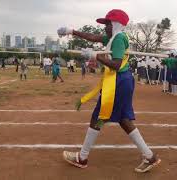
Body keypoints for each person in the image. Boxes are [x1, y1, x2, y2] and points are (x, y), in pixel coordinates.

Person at [58, 9, 160, 173]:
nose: (104, 27)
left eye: (107, 24)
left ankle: (82, 158)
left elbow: (117, 64)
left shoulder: (119, 39)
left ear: (116, 24)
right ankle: (149, 156)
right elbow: (94, 37)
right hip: (120, 81)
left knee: (98, 117)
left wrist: (95, 56)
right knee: (123, 120)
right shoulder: (115, 37)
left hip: (117, 82)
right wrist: (72, 31)